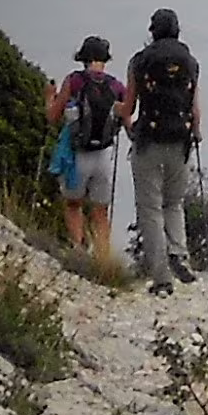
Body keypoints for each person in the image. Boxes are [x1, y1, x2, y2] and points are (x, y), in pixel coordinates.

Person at [117, 8, 202, 296]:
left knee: (150, 208)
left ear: (152, 32)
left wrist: (119, 114)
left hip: (148, 141)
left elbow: (128, 107)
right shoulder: (190, 62)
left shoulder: (139, 61)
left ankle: (162, 278)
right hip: (180, 140)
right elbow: (194, 107)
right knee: (174, 202)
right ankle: (179, 253)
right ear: (177, 30)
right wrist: (196, 132)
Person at [44, 36, 126, 258]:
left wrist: (49, 97)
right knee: (101, 212)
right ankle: (104, 259)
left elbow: (52, 116)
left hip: (78, 156)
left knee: (73, 204)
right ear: (105, 59)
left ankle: (78, 251)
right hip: (103, 156)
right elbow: (127, 114)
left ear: (83, 58)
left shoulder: (74, 81)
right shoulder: (116, 86)